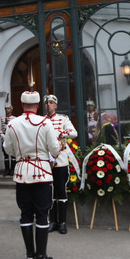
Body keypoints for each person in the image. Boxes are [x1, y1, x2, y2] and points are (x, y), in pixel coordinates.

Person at [3, 91, 62, 259]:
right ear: (37, 105)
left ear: (22, 105)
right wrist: (59, 147)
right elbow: (54, 149)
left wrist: (21, 155)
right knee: (42, 214)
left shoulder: (12, 124)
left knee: (25, 214)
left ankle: (30, 256)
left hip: (22, 173)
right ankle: (41, 257)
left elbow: (8, 149)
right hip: (41, 173)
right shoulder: (45, 122)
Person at [43, 94, 76, 235]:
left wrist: (60, 133)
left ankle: (62, 222)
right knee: (50, 194)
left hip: (60, 162)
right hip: (46, 163)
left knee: (61, 193)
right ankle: (52, 221)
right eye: (46, 103)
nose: (48, 105)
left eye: (51, 103)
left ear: (55, 105)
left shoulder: (63, 118)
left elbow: (74, 132)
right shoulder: (42, 120)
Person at [0, 104, 15, 176]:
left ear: (11, 109)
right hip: (4, 140)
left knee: (13, 156)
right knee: (6, 156)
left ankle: (13, 170)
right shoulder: (2, 118)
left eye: (8, 108)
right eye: (6, 108)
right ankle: (7, 169)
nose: (7, 110)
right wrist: (2, 135)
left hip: (12, 140)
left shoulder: (14, 118)